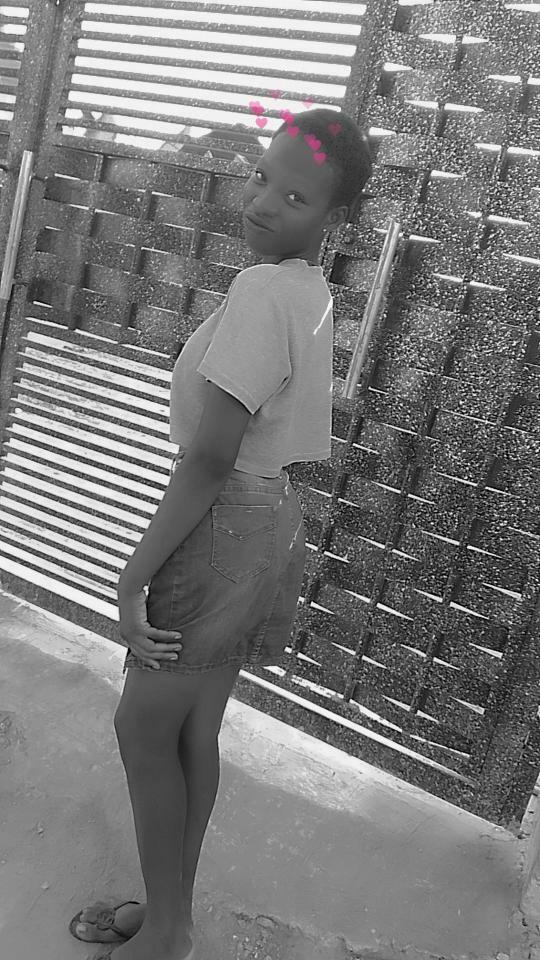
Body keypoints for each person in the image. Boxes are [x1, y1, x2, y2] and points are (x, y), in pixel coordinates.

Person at [68, 107, 373, 960]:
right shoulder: (307, 290)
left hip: (224, 521)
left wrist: (133, 575)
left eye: (296, 196)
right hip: (269, 518)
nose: (265, 202)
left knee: (143, 729)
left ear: (335, 216)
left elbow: (209, 456)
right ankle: (171, 915)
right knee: (191, 729)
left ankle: (167, 933)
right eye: (263, 177)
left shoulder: (262, 292)